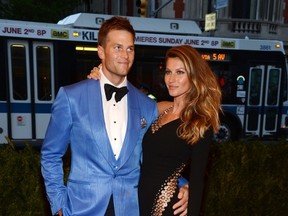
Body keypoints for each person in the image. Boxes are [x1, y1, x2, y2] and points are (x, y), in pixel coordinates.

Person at [41, 16, 188, 216]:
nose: (125, 55)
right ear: (101, 51)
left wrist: (186, 185)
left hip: (131, 208)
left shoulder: (146, 105)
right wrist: (58, 204)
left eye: (130, 48)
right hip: (81, 208)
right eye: (117, 47)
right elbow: (51, 155)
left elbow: (155, 159)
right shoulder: (71, 97)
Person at [88, 45, 222, 215]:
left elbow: (198, 179)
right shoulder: (160, 108)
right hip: (138, 201)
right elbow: (123, 99)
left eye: (180, 72)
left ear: (194, 76)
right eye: (168, 72)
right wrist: (103, 78)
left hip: (167, 207)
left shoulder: (200, 123)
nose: (171, 79)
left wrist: (189, 190)